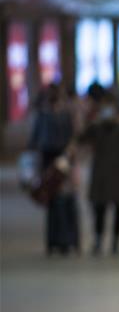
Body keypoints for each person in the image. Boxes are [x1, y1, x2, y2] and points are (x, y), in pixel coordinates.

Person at [78, 96, 119, 256]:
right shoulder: (96, 127)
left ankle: (115, 241)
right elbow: (81, 138)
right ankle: (98, 239)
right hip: (100, 176)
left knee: (118, 208)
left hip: (118, 176)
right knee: (99, 209)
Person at [28, 84, 79, 255]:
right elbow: (34, 141)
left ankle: (66, 240)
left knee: (64, 200)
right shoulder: (43, 115)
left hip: (62, 161)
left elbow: (72, 139)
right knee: (52, 200)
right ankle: (54, 241)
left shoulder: (65, 115)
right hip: (47, 161)